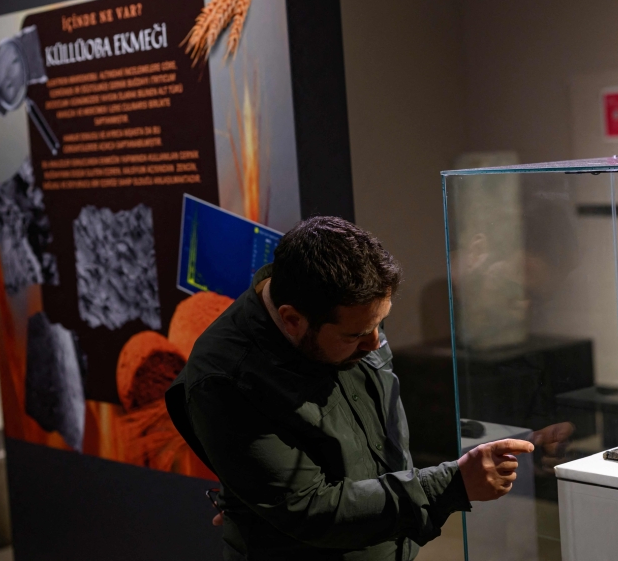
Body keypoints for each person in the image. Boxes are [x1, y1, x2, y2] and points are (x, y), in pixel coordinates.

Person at [166, 216, 533, 560]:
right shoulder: (225, 378)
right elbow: (310, 509)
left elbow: (378, 424)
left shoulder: (348, 311)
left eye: (380, 325)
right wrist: (448, 485)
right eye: (355, 335)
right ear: (292, 319)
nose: (374, 342)